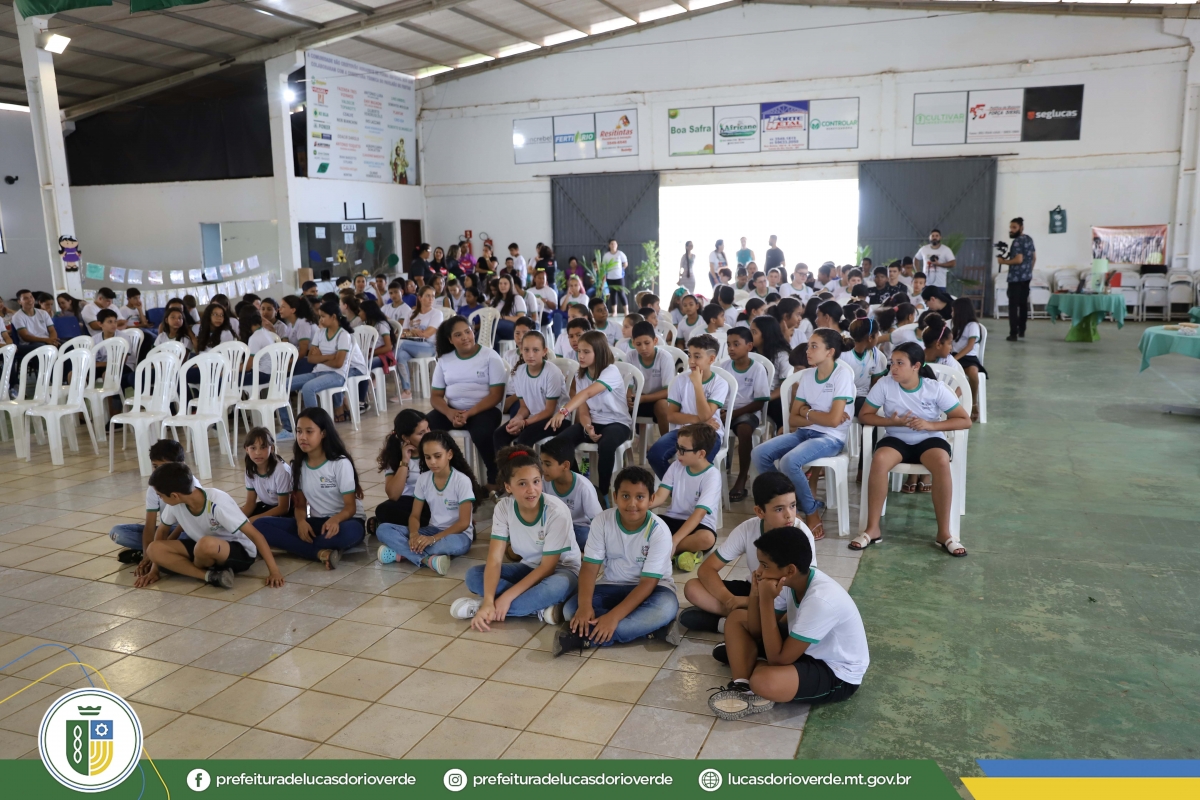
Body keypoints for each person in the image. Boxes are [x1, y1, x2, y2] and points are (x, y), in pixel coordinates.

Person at [707, 527, 867, 719]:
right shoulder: (790, 581)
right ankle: (742, 685)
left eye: (764, 565)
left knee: (763, 681)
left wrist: (766, 600)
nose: (758, 572)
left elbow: (778, 659)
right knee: (737, 618)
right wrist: (756, 594)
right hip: (802, 649)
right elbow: (757, 631)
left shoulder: (820, 599)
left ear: (790, 570)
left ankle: (751, 666)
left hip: (836, 672)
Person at [852, 342, 972, 556]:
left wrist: (930, 425)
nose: (893, 368)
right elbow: (864, 415)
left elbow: (964, 420)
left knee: (942, 461)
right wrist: (891, 422)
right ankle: (872, 528)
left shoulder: (934, 388)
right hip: (897, 438)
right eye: (892, 363)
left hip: (929, 439)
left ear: (916, 366)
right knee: (880, 459)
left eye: (900, 363)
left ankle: (944, 533)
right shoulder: (885, 384)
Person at [555, 466, 682, 655]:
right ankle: (653, 629)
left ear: (651, 499)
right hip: (611, 585)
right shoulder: (602, 521)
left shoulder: (659, 531)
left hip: (654, 589)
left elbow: (648, 583)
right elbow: (589, 567)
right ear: (615, 497)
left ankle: (583, 637)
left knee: (665, 608)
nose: (632, 503)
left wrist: (613, 617)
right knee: (571, 609)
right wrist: (585, 606)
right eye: (625, 496)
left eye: (640, 497)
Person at [453, 445, 582, 627]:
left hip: (562, 571)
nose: (531, 489)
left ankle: (483, 608)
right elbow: (495, 560)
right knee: (473, 575)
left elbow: (547, 568)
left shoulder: (556, 511)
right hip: (528, 567)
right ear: (508, 486)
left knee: (554, 588)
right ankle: (532, 608)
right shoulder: (503, 508)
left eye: (536, 481)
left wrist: (506, 596)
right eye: (522, 483)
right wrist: (490, 599)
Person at [751, 329, 854, 542]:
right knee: (759, 453)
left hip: (830, 438)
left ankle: (811, 511)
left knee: (789, 461)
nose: (808, 350)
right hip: (804, 433)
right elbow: (793, 418)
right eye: (808, 345)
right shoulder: (807, 376)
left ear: (830, 352)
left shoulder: (841, 375)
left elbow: (833, 422)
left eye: (814, 346)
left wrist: (807, 412)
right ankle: (786, 503)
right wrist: (819, 416)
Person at [682, 472, 817, 632]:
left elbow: (804, 587)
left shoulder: (801, 535)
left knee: (794, 615)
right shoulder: (747, 529)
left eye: (793, 506)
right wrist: (730, 599)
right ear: (760, 511)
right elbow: (706, 569)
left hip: (785, 598)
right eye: (779, 509)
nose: (789, 515)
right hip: (754, 591)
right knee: (692, 587)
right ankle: (743, 622)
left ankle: (726, 624)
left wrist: (744, 602)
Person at [133, 462, 283, 590]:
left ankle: (183, 567)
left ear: (174, 495)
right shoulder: (176, 504)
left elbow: (255, 535)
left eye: (160, 495)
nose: (160, 498)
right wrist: (154, 570)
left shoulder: (217, 502)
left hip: (238, 550)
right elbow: (162, 533)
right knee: (154, 549)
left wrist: (274, 571)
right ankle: (210, 576)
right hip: (201, 549)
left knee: (205, 544)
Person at [254, 407, 366, 569]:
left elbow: (350, 507)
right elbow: (300, 506)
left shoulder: (340, 463)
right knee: (260, 525)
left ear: (323, 433)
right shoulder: (298, 465)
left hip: (347, 521)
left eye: (309, 431)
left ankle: (305, 548)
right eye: (299, 431)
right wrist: (301, 522)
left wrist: (336, 519)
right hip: (317, 523)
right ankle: (320, 552)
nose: (302, 437)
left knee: (338, 535)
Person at [376, 430, 480, 576]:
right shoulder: (423, 479)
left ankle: (400, 553)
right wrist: (414, 534)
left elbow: (463, 523)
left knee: (448, 544)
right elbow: (414, 515)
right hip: (432, 529)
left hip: (458, 535)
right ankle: (427, 560)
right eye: (427, 457)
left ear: (449, 454)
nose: (432, 462)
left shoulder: (462, 481)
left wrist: (433, 539)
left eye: (437, 456)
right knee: (383, 529)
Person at [545, 330, 632, 502]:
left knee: (606, 445)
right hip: (594, 422)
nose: (581, 356)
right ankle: (581, 486)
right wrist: (587, 426)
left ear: (598, 352)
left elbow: (587, 393)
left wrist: (563, 411)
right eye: (579, 351)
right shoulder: (581, 375)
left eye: (586, 352)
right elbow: (584, 411)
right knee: (559, 444)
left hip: (618, 423)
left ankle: (603, 494)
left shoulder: (611, 371)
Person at [428, 315, 507, 488]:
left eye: (467, 331)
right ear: (450, 340)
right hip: (453, 410)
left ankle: (494, 479)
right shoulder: (444, 360)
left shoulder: (490, 356)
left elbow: (496, 395)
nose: (465, 337)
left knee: (482, 433)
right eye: (458, 335)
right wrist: (450, 413)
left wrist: (469, 413)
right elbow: (435, 396)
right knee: (427, 428)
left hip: (485, 410)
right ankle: (443, 474)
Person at [647, 334, 728, 478]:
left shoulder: (720, 383)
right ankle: (675, 487)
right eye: (689, 355)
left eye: (697, 356)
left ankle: (691, 489)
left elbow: (706, 415)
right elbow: (671, 416)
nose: (691, 361)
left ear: (711, 359)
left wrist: (697, 384)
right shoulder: (680, 380)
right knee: (655, 455)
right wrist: (698, 421)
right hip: (683, 431)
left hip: (710, 433)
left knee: (697, 463)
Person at [648, 423, 720, 571]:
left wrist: (674, 541)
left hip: (699, 525)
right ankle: (677, 553)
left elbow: (699, 515)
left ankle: (664, 549)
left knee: (706, 539)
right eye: (677, 447)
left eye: (683, 450)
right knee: (643, 523)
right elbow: (660, 496)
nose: (677, 453)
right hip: (672, 519)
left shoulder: (712, 475)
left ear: (701, 454)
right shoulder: (676, 466)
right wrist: (640, 506)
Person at [108, 439, 190, 563]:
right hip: (165, 530)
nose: (158, 472)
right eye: (155, 466)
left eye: (164, 467)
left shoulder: (189, 484)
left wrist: (158, 548)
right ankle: (153, 554)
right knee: (118, 532)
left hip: (186, 530)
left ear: (180, 465)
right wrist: (148, 554)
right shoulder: (154, 487)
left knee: (191, 538)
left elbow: (187, 526)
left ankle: (160, 553)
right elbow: (150, 526)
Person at [286, 300, 365, 427]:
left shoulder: (343, 335)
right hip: (318, 372)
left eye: (323, 316)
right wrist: (329, 356)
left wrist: (319, 357)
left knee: (308, 388)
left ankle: (316, 425)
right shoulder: (320, 332)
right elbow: (310, 359)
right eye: (320, 316)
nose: (320, 320)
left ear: (333, 317)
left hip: (336, 375)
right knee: (283, 385)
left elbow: (338, 363)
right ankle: (288, 427)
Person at [720, 326, 771, 501]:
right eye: (728, 344)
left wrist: (734, 413)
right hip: (724, 411)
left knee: (744, 429)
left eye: (736, 344)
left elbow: (760, 401)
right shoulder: (724, 367)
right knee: (705, 426)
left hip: (748, 411)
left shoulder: (757, 369)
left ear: (749, 346)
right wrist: (720, 410)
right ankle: (716, 468)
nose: (731, 348)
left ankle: (742, 476)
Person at [494, 330, 565, 450]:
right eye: (526, 350)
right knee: (500, 435)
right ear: (521, 350)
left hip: (555, 418)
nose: (530, 355)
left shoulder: (552, 372)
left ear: (544, 351)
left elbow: (549, 411)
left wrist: (524, 423)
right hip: (533, 417)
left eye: (535, 350)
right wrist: (517, 419)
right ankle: (507, 463)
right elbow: (524, 407)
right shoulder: (519, 372)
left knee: (524, 438)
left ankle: (525, 463)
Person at [540, 438, 602, 549]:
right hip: (553, 526)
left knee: (585, 537)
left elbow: (598, 521)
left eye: (548, 464)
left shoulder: (584, 487)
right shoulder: (543, 482)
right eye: (542, 463)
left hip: (577, 528)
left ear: (565, 465)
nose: (542, 468)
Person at [395, 285, 444, 400]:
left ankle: (385, 368)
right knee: (400, 355)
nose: (431, 299)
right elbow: (404, 332)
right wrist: (415, 332)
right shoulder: (411, 313)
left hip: (429, 347)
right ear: (420, 298)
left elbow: (427, 334)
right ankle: (407, 391)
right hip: (411, 345)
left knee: (400, 344)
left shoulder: (437, 313)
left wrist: (413, 332)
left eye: (433, 296)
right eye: (428, 296)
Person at [628, 320, 675, 437]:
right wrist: (629, 398)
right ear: (633, 343)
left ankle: (667, 442)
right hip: (639, 399)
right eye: (638, 344)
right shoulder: (630, 356)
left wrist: (643, 398)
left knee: (662, 406)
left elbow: (668, 391)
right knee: (616, 403)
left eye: (647, 343)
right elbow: (628, 385)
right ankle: (626, 442)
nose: (643, 348)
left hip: (659, 399)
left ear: (655, 341)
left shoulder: (665, 357)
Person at [839, 318, 888, 418]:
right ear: (870, 338)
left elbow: (876, 387)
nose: (878, 339)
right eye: (877, 335)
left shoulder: (876, 355)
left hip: (863, 397)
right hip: (841, 397)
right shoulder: (842, 354)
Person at [240, 427, 292, 521]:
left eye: (263, 447)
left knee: (258, 523)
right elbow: (250, 503)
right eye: (253, 448)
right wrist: (238, 521)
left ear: (271, 448)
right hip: (267, 506)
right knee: (238, 513)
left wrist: (256, 519)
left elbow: (283, 508)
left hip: (286, 511)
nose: (258, 453)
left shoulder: (281, 471)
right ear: (246, 449)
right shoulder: (250, 469)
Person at [751, 315, 792, 429]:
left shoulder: (781, 355)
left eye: (754, 332)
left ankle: (782, 431)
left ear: (766, 334)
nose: (749, 336)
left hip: (773, 397)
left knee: (778, 406)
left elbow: (786, 385)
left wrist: (766, 398)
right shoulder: (751, 354)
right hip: (751, 396)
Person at [998, 216, 1036, 341]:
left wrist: (1003, 262)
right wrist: (1028, 271)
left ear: (1021, 227)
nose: (1011, 230)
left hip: (1015, 279)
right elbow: (1034, 257)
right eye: (1011, 227)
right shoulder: (1029, 239)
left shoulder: (1017, 242)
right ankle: (1022, 330)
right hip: (1026, 277)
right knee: (1023, 304)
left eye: (1014, 227)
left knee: (1013, 306)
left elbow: (1018, 260)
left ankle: (1013, 333)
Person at [949, 298, 986, 421]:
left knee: (973, 373)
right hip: (954, 355)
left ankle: (973, 403)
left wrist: (955, 359)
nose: (952, 313)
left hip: (969, 357)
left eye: (953, 310)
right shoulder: (954, 324)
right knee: (951, 375)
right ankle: (951, 404)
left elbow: (970, 346)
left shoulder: (973, 325)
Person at [601, 238, 628, 314]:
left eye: (615, 244)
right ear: (609, 245)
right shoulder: (606, 255)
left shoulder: (620, 254)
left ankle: (626, 311)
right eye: (611, 244)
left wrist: (621, 269)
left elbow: (625, 263)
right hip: (610, 278)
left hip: (619, 278)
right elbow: (603, 266)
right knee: (613, 294)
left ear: (617, 245)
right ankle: (614, 312)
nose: (613, 245)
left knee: (621, 294)